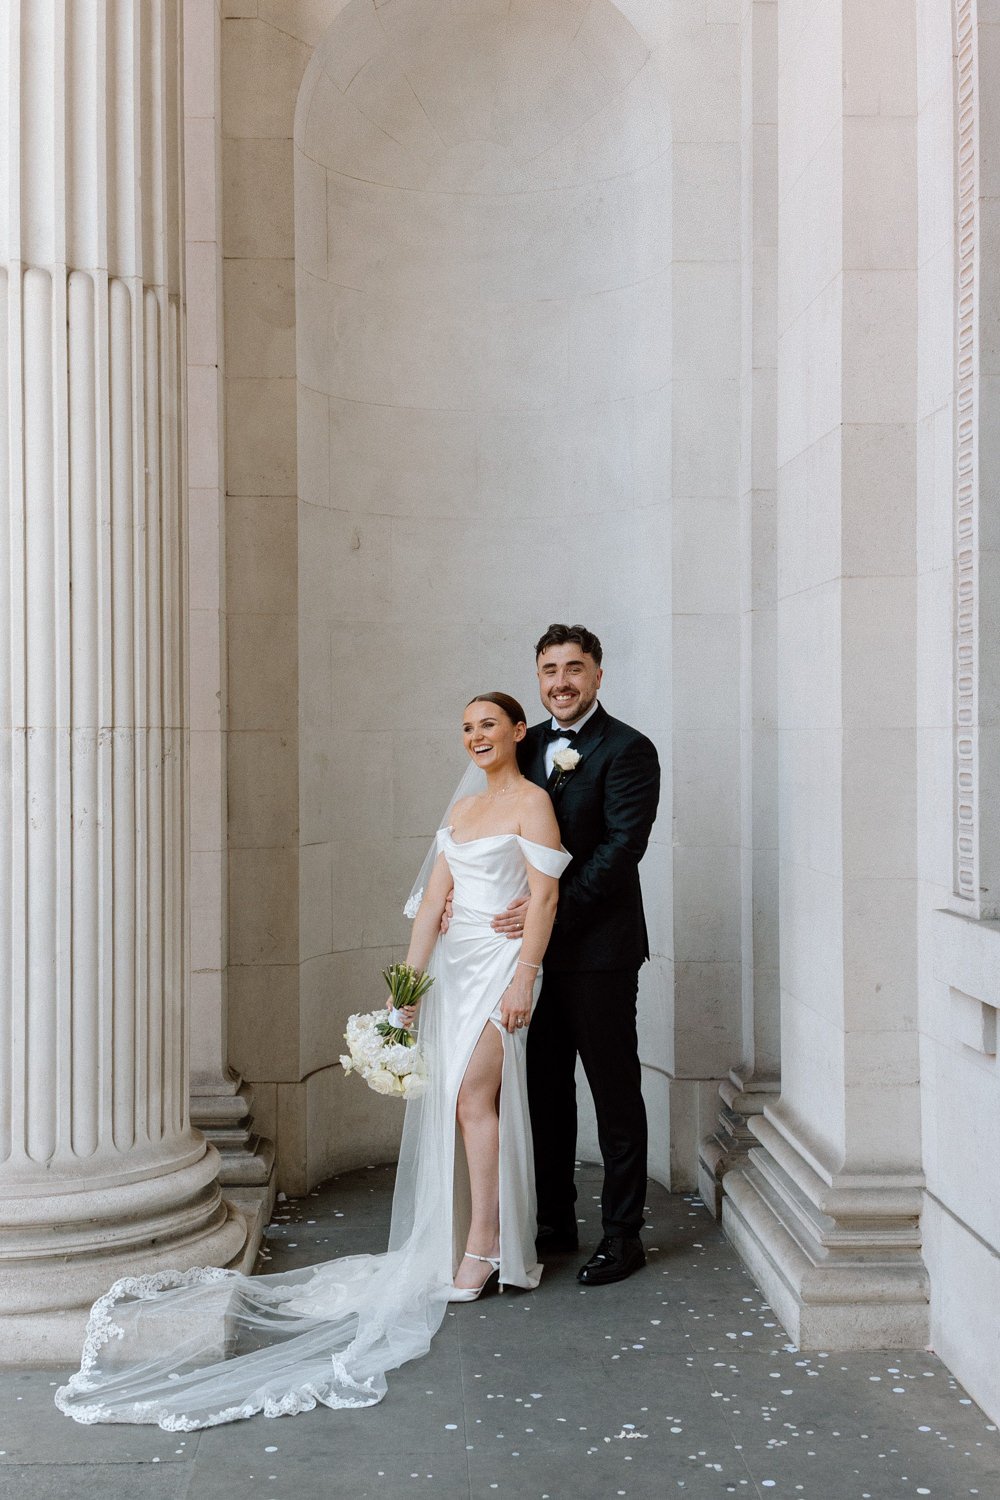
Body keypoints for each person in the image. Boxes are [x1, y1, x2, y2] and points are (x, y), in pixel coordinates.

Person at [55, 693, 568, 1430]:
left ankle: (486, 1248)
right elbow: (431, 909)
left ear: (519, 731)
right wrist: (405, 995)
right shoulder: (460, 814)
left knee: (470, 1102)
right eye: (465, 727)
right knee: (452, 1106)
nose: (475, 736)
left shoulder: (534, 805)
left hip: (502, 970)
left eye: (488, 724)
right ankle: (462, 1237)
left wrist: (524, 974)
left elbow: (544, 898)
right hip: (455, 973)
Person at [497, 624, 660, 1286]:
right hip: (533, 955)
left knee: (614, 1092)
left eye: (573, 668)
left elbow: (622, 849)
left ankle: (623, 1236)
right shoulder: (525, 745)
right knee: (545, 1090)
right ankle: (554, 1222)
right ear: (538, 679)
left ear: (597, 675)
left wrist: (549, 914)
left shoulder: (628, 749)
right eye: (548, 670)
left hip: (600, 952)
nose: (560, 682)